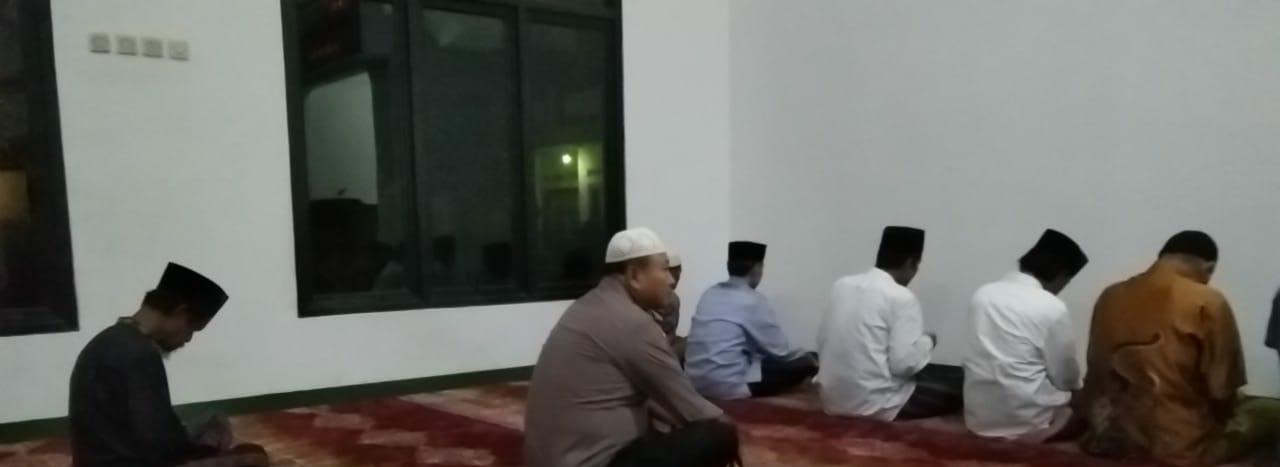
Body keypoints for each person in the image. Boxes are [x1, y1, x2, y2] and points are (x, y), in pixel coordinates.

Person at [524, 228, 741, 467]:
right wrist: (729, 429)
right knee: (718, 435)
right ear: (635, 275)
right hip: (596, 461)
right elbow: (691, 407)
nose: (671, 280)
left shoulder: (587, 305)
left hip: (550, 458)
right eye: (664, 269)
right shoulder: (632, 322)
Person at [1079, 231, 1280, 465]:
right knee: (1269, 412)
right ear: (1209, 268)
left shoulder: (1109, 295)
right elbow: (1222, 392)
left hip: (1107, 437)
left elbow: (1095, 370)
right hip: (1177, 447)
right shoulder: (1208, 300)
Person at [69, 263, 269, 467]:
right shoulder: (140, 354)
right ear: (180, 312)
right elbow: (157, 445)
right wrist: (202, 446)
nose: (188, 339)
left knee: (212, 425)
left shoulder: (109, 339)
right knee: (254, 458)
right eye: (191, 328)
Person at [816, 226, 963, 421]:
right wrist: (928, 341)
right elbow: (904, 365)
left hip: (831, 399)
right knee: (960, 383)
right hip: (878, 404)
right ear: (911, 263)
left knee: (933, 373)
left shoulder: (841, 285)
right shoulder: (901, 296)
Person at [963, 229, 1087, 442]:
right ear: (1061, 276)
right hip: (1028, 421)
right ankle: (1039, 433)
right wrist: (1079, 391)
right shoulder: (1051, 306)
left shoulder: (983, 294)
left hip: (977, 420)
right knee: (1082, 409)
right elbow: (1064, 377)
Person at [686, 241, 817, 400]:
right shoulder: (752, 300)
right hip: (729, 387)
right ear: (756, 268)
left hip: (694, 384)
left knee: (761, 359)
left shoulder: (709, 294)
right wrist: (809, 357)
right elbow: (781, 351)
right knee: (808, 362)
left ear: (729, 266)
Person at [651, 251, 687, 359]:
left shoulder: (670, 297)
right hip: (659, 351)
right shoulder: (669, 299)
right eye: (670, 272)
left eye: (676, 272)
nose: (673, 278)